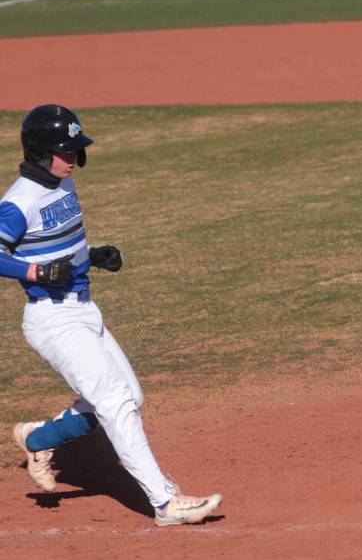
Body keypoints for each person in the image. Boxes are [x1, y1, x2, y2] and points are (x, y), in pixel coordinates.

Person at [2, 104, 223, 526]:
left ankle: (37, 438)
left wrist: (92, 256)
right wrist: (33, 271)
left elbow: (58, 244)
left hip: (85, 310)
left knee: (129, 398)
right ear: (40, 152)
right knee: (115, 402)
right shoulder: (18, 202)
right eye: (66, 151)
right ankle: (165, 503)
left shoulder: (63, 185)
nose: (73, 158)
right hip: (53, 320)